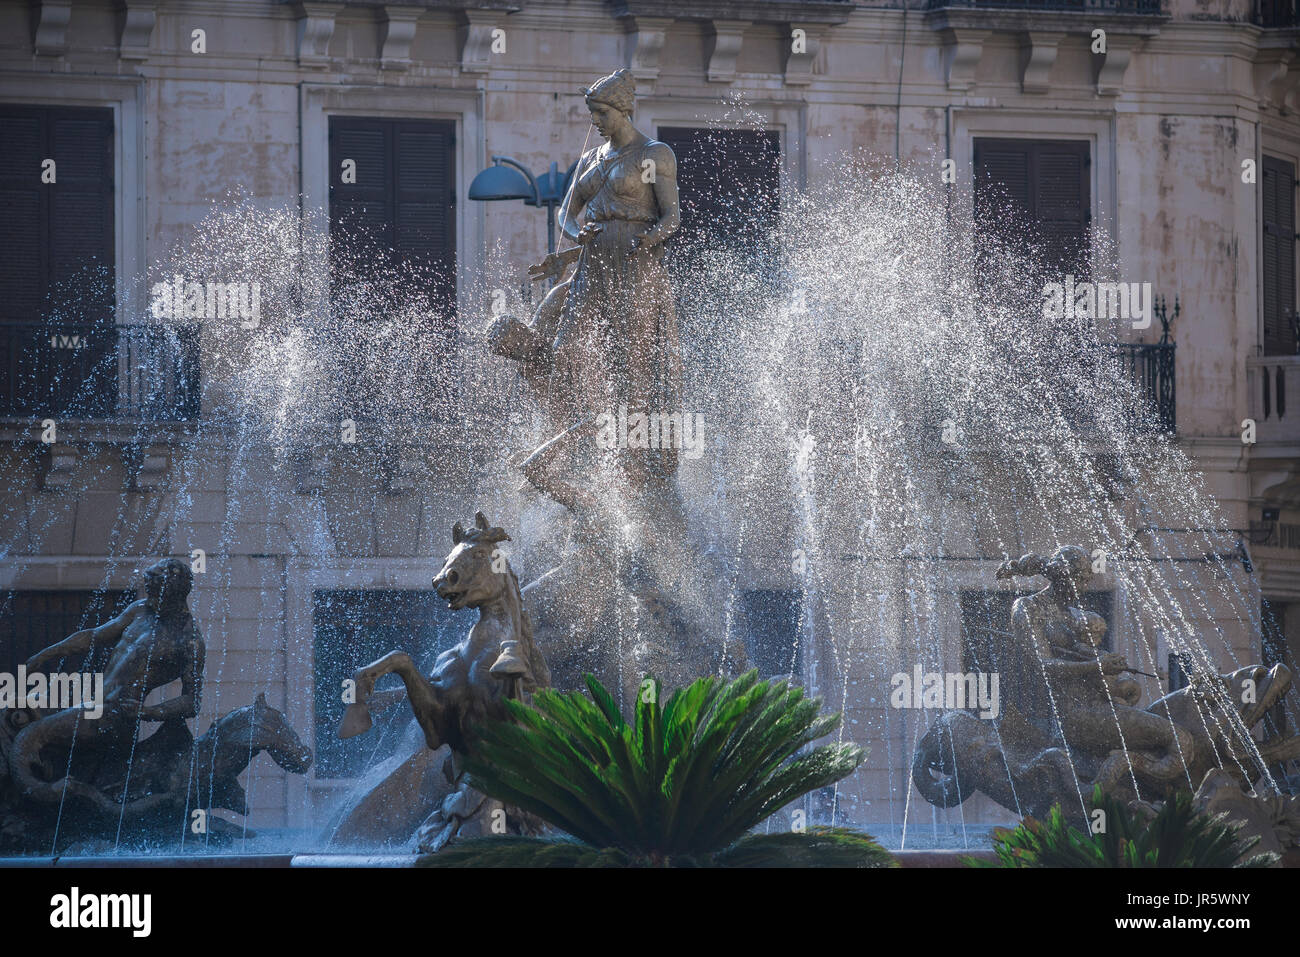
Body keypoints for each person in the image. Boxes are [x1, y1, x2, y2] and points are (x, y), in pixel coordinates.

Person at [12, 557, 204, 804]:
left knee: (28, 737)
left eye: (155, 591)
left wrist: (148, 712)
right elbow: (94, 636)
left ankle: (41, 797)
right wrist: (44, 655)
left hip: (112, 717)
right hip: (92, 703)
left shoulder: (189, 641)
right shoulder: (141, 610)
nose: (150, 596)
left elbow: (192, 701)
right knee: (20, 712)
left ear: (174, 591)